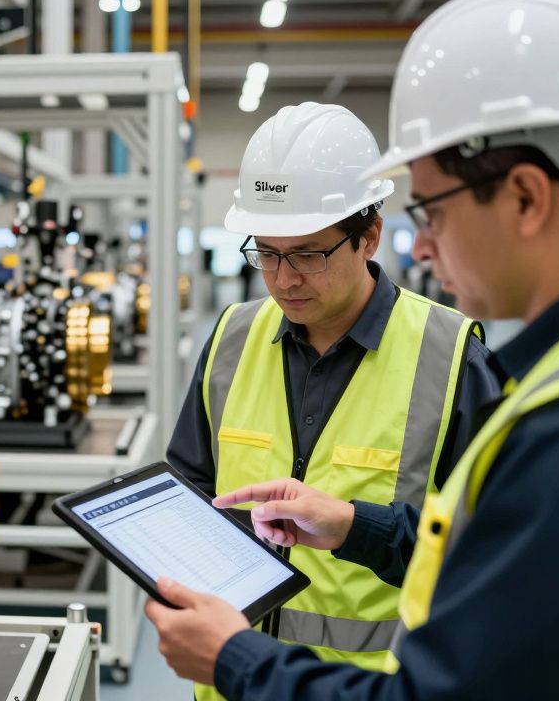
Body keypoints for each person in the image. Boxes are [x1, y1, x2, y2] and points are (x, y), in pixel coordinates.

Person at [146, 0, 559, 700]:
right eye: (267, 252)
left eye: (432, 209)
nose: (423, 245)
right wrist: (356, 526)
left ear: (525, 196)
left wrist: (235, 661)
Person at [167, 101, 497, 695]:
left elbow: (486, 557)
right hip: (227, 684)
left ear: (368, 235)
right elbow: (189, 486)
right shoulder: (232, 339)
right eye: (266, 252)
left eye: (308, 254)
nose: (284, 279)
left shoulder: (449, 357)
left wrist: (359, 528)